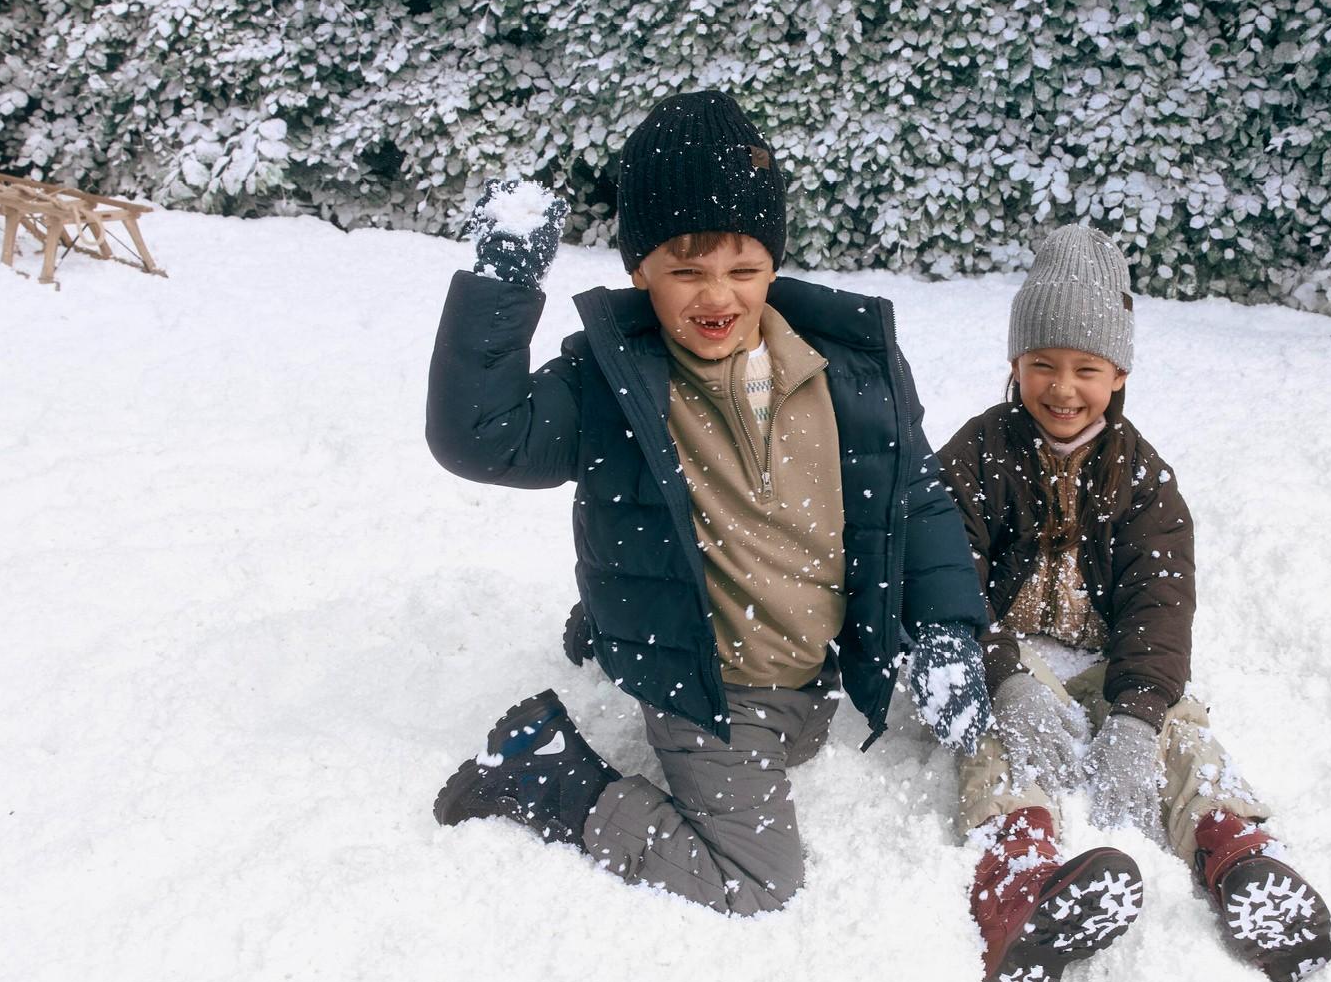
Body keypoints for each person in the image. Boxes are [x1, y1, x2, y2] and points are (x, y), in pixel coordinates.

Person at [424, 90, 993, 917]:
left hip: (806, 668)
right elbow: (480, 435)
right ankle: (547, 774)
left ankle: (613, 627)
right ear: (639, 271)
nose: (717, 296)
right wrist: (500, 283)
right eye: (686, 270)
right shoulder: (612, 382)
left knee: (802, 738)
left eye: (743, 269)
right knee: (757, 878)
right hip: (710, 680)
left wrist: (946, 626)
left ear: (774, 264)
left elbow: (917, 493)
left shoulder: (847, 370)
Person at [938, 222, 1331, 982]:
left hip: (1103, 657)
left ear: (1118, 373)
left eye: (1086, 368)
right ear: (1015, 363)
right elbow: (946, 578)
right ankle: (1020, 875)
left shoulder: (1143, 479)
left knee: (1181, 726)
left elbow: (1160, 602)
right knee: (988, 729)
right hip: (1011, 652)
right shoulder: (978, 454)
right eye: (1042, 364)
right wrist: (1002, 674)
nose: (1062, 388)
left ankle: (1236, 848)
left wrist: (1136, 713)